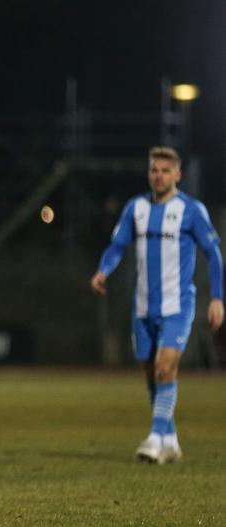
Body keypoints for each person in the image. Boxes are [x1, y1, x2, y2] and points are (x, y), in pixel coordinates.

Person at [91, 146, 223, 464]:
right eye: (154, 170)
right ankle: (170, 439)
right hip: (143, 307)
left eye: (165, 170)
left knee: (166, 367)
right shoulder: (135, 208)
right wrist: (102, 270)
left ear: (177, 174)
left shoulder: (192, 210)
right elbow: (118, 245)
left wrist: (217, 297)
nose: (158, 175)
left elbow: (214, 254)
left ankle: (153, 438)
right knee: (154, 376)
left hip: (178, 306)